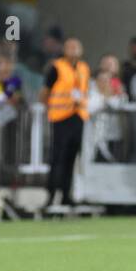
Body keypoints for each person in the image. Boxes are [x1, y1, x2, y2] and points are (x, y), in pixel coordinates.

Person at [41, 38, 89, 209]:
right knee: (57, 157)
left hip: (78, 116)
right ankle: (51, 194)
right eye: (70, 47)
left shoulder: (84, 68)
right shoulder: (56, 67)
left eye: (77, 47)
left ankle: (66, 195)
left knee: (71, 157)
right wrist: (49, 108)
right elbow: (45, 92)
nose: (74, 50)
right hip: (61, 117)